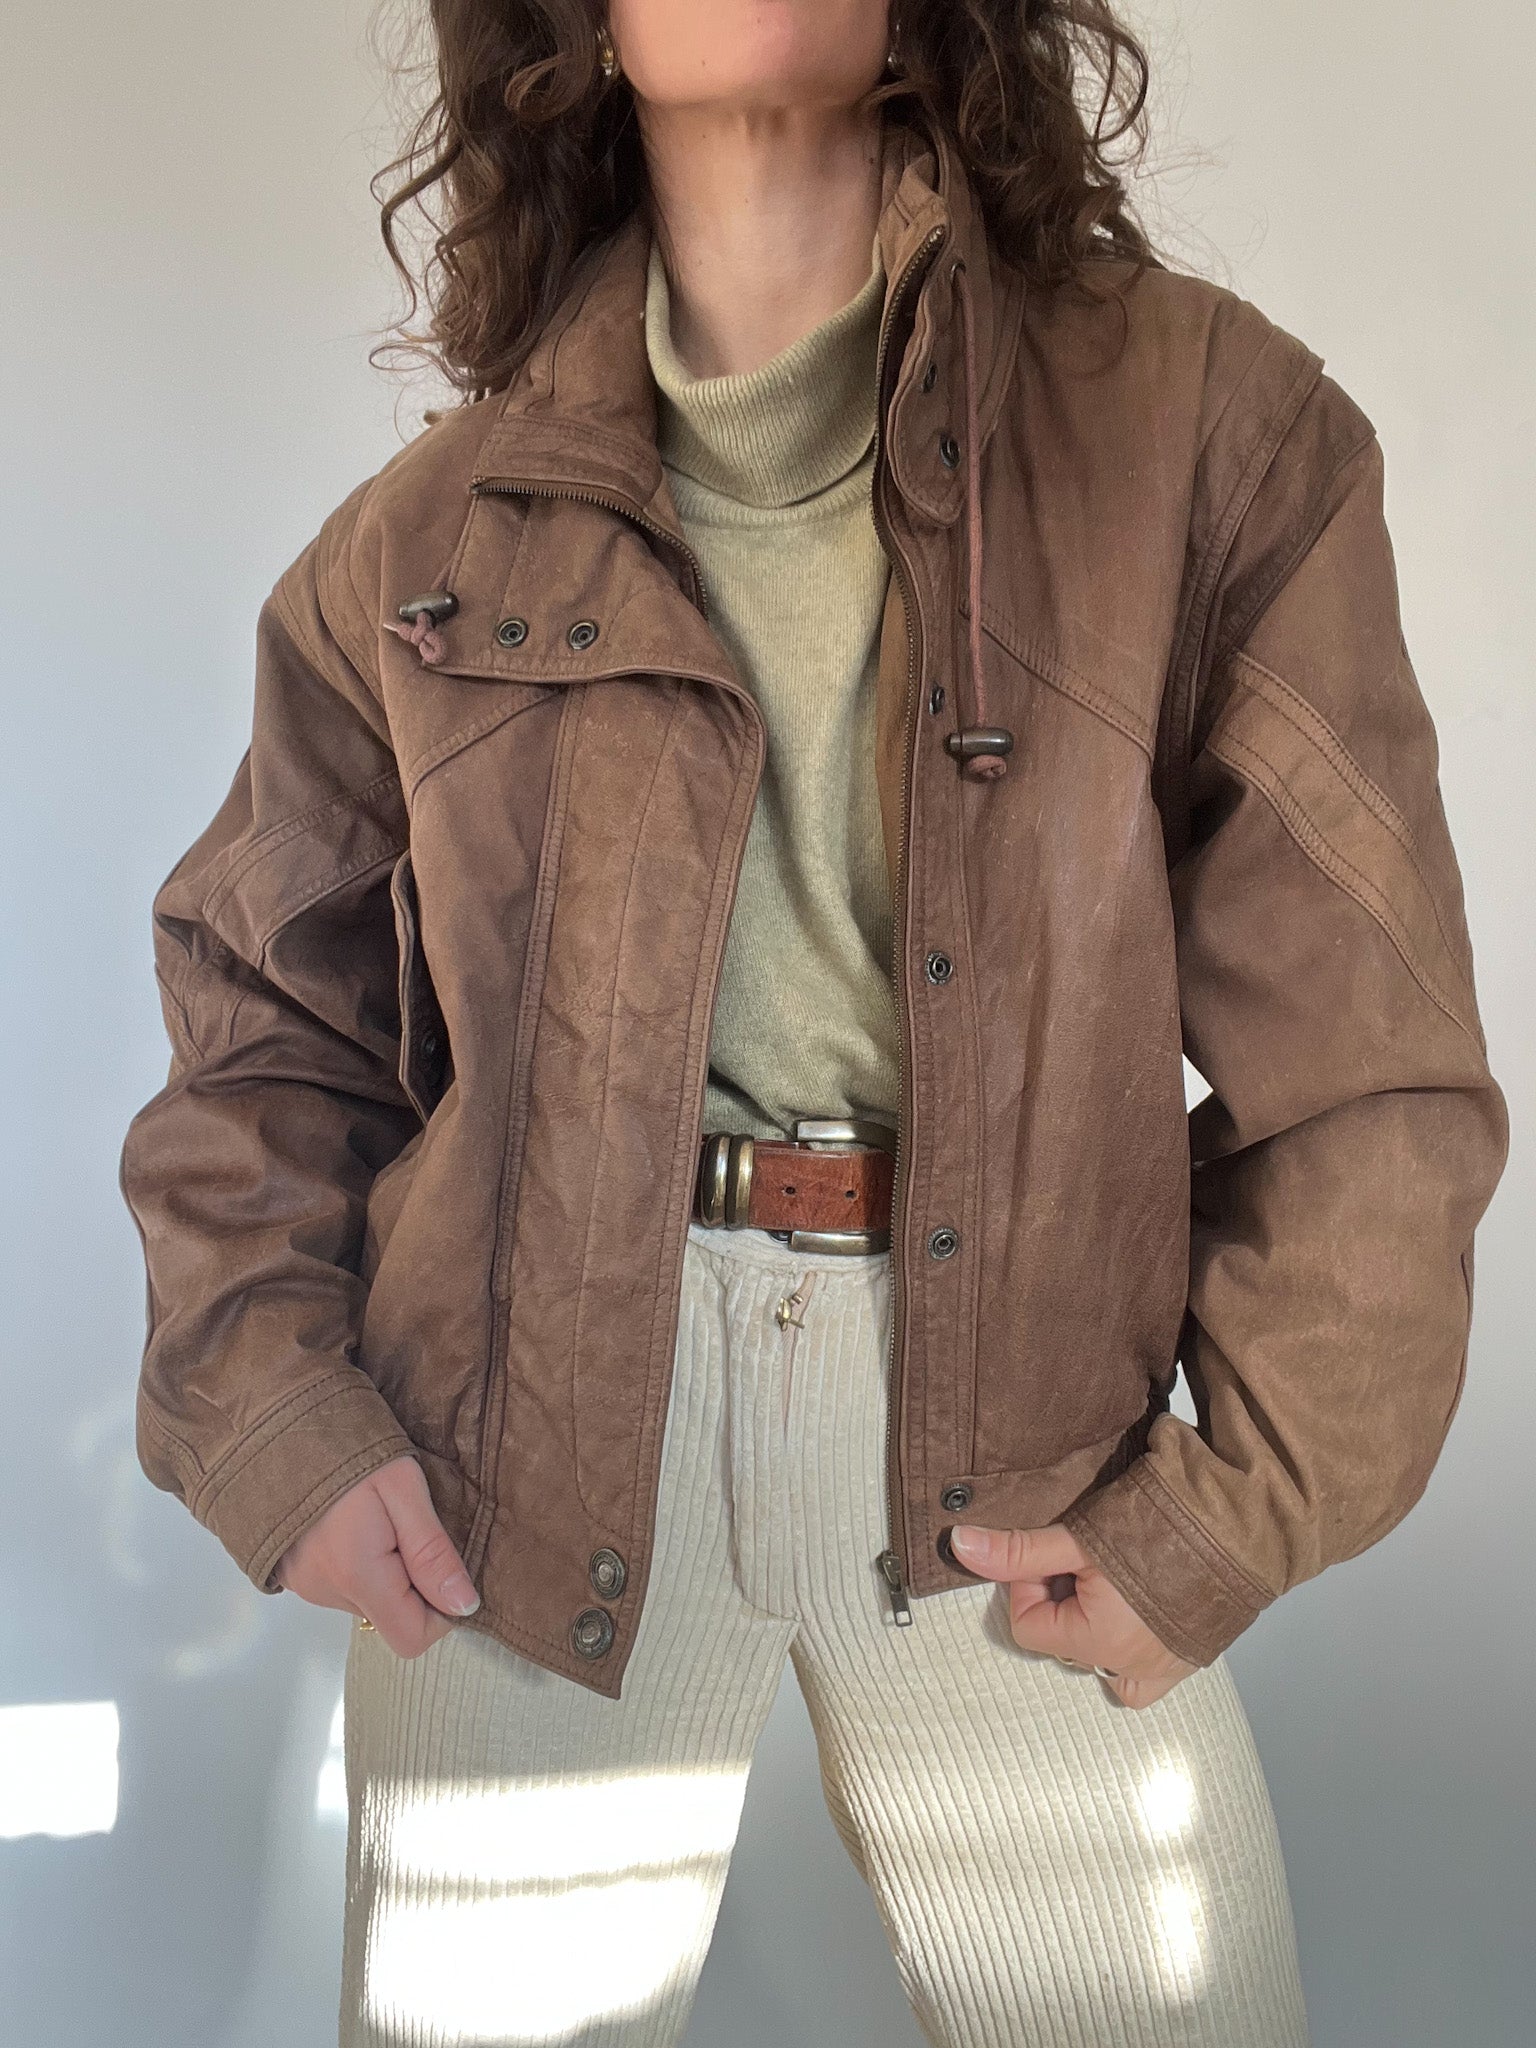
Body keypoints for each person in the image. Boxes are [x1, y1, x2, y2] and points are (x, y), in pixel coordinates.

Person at [118, 3, 1508, 2043]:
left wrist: (1227, 1502)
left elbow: (1374, 1065)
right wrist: (282, 1422)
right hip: (518, 1437)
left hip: (1021, 1443)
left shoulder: (1207, 434)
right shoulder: (430, 541)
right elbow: (260, 1017)